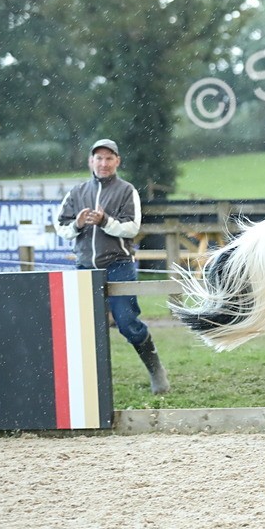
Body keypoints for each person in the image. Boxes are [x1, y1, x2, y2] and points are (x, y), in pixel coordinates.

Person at [56, 139, 169, 394]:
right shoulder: (76, 193)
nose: (103, 163)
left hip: (119, 265)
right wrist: (78, 224)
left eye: (109, 158)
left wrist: (105, 220)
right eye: (99, 158)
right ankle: (89, 387)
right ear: (90, 161)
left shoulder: (127, 190)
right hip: (85, 268)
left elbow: (132, 227)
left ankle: (156, 370)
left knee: (127, 322)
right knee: (85, 329)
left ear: (117, 161)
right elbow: (61, 228)